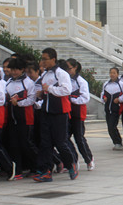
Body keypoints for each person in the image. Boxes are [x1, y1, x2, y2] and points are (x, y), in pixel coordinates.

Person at [35, 48, 77, 182]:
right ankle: (46, 171)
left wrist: (50, 89)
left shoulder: (61, 73)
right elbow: (45, 91)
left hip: (59, 112)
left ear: (53, 59)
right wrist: (41, 94)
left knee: (60, 142)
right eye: (42, 59)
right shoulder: (45, 74)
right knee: (45, 143)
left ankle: (71, 164)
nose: (43, 61)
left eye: (45, 59)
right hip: (46, 112)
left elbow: (67, 90)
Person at [67, 59, 94, 169]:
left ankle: (88, 159)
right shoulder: (65, 80)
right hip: (67, 112)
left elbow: (85, 98)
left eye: (69, 68)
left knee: (79, 138)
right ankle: (73, 158)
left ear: (75, 68)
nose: (68, 71)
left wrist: (72, 99)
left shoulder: (81, 82)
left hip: (78, 113)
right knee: (65, 138)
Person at [101, 67, 123, 150]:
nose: (112, 74)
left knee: (112, 126)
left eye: (114, 73)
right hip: (108, 108)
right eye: (111, 73)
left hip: (116, 109)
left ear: (117, 74)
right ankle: (117, 141)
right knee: (110, 126)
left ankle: (118, 142)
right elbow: (102, 93)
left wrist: (119, 99)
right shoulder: (106, 84)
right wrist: (103, 98)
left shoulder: (121, 84)